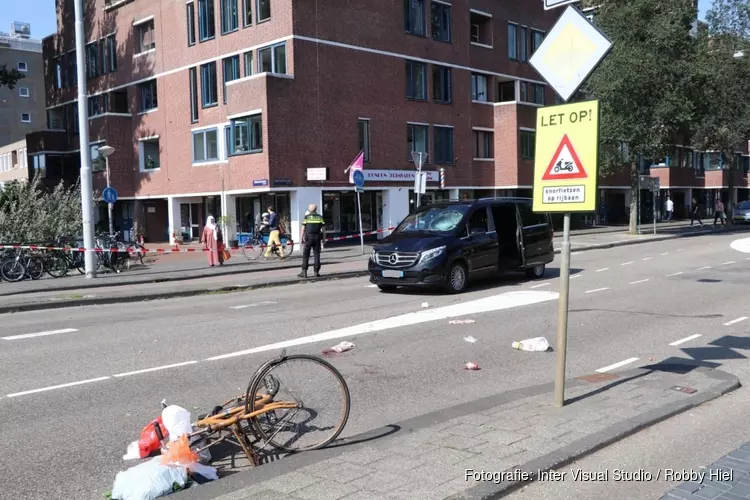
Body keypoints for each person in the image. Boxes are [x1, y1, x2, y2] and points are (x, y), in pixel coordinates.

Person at [298, 204, 326, 278]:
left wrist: (301, 238)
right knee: (317, 254)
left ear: (309, 209)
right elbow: (323, 229)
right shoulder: (320, 217)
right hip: (317, 237)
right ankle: (316, 272)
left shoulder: (307, 217)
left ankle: (304, 272)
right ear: (316, 209)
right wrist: (324, 239)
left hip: (308, 238)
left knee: (306, 255)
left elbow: (303, 228)